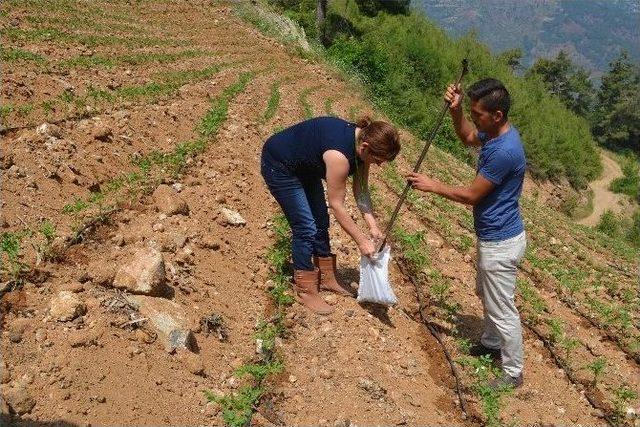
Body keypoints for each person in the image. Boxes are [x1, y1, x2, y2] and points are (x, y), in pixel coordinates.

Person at [407, 78, 527, 389]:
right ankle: (489, 342)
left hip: (501, 241)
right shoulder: (493, 132)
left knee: (502, 308)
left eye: (478, 115)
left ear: (497, 115)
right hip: (493, 236)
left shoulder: (505, 151)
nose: (475, 121)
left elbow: (472, 196)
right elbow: (466, 137)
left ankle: (513, 372)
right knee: (485, 292)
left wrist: (433, 185)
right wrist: (456, 111)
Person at [261, 116, 401, 315]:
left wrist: (372, 225)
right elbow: (336, 205)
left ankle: (326, 277)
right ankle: (305, 289)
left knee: (320, 220)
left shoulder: (362, 146)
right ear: (365, 147)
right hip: (281, 165)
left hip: (305, 166)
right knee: (305, 226)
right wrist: (362, 241)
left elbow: (361, 191)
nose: (379, 165)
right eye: (378, 160)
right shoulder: (339, 157)